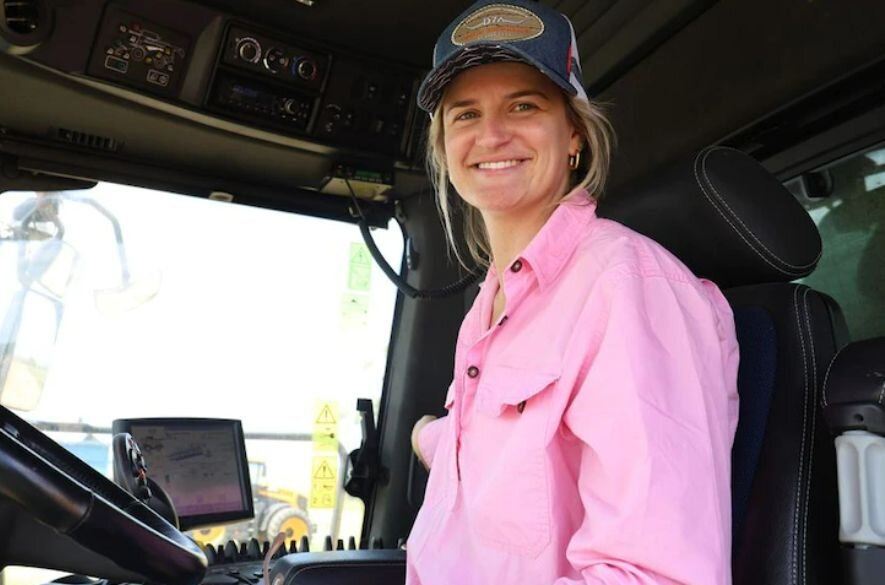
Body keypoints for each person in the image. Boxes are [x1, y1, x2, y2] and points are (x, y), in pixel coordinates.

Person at [406, 1, 740, 584]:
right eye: (464, 114)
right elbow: (516, 457)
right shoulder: (494, 301)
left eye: (524, 105)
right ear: (444, 151)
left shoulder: (627, 286)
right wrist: (425, 437)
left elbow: (656, 576)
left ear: (575, 136)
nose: (492, 134)